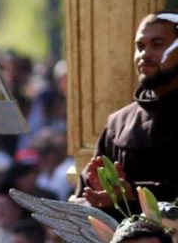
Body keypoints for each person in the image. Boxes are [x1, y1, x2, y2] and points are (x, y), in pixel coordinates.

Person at [75, 11, 178, 212]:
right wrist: (96, 196)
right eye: (140, 47)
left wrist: (133, 193)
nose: (144, 54)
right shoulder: (119, 123)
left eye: (157, 45)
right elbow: (86, 193)